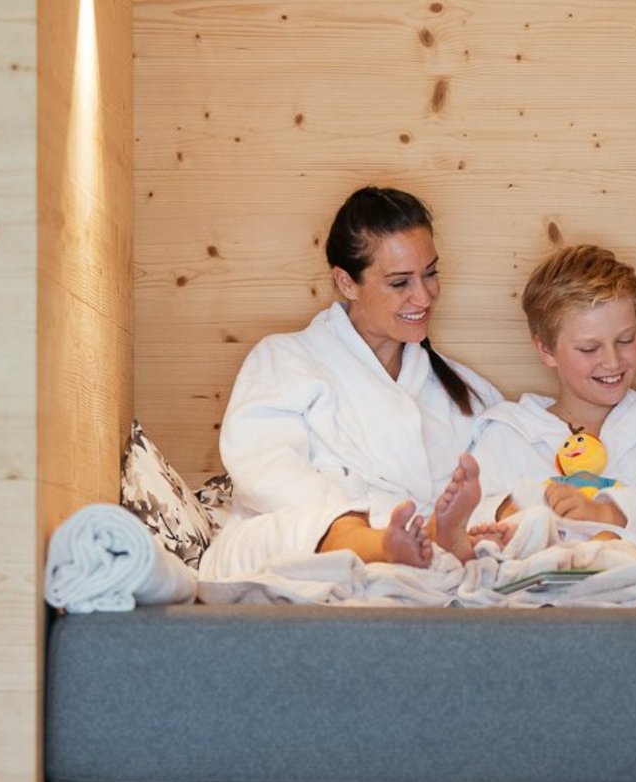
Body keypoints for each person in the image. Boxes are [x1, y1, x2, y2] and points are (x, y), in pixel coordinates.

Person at [198, 186, 503, 579]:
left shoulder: (464, 391)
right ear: (346, 283)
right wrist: (356, 524)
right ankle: (384, 545)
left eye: (430, 274)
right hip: (324, 537)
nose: (424, 297)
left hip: (426, 546)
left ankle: (420, 540)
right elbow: (264, 470)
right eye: (400, 283)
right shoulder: (286, 359)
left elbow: (498, 475)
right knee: (272, 539)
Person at [463, 245, 636, 553]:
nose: (613, 361)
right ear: (546, 350)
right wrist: (512, 512)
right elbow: (473, 511)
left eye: (626, 340)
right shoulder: (511, 432)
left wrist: (605, 513)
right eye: (589, 349)